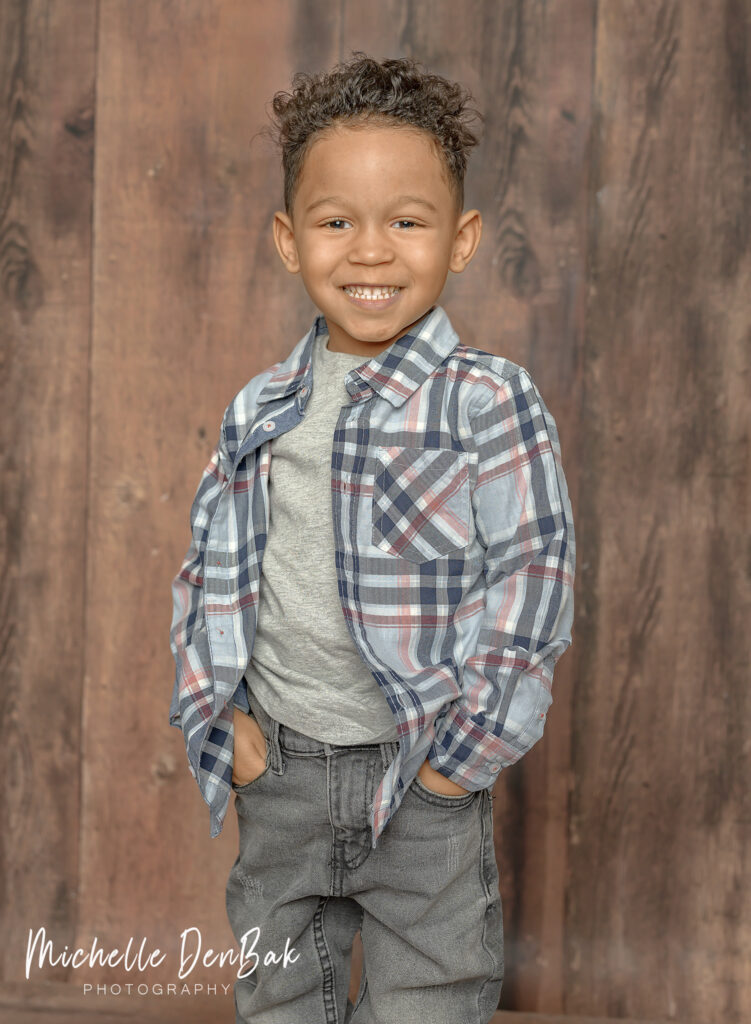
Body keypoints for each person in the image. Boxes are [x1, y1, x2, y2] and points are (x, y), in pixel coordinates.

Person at [168, 51, 576, 1024]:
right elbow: (209, 567)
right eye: (336, 221)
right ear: (286, 238)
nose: (369, 252)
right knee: (278, 993)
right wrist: (225, 724)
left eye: (405, 220)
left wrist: (454, 766)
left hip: (420, 772)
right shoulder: (260, 406)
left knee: (428, 996)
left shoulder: (485, 399)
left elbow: (534, 581)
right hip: (287, 768)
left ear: (462, 238)